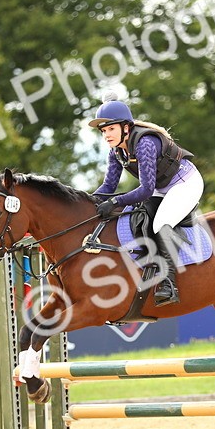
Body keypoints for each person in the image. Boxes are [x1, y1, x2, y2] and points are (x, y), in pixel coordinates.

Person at [88, 97, 202, 306]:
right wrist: (86, 203)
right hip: (162, 188)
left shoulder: (145, 144)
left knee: (160, 223)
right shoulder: (116, 152)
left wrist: (114, 203)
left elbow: (145, 190)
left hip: (186, 184)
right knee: (137, 217)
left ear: (125, 127)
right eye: (103, 131)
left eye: (110, 129)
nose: (106, 135)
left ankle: (168, 284)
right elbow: (108, 187)